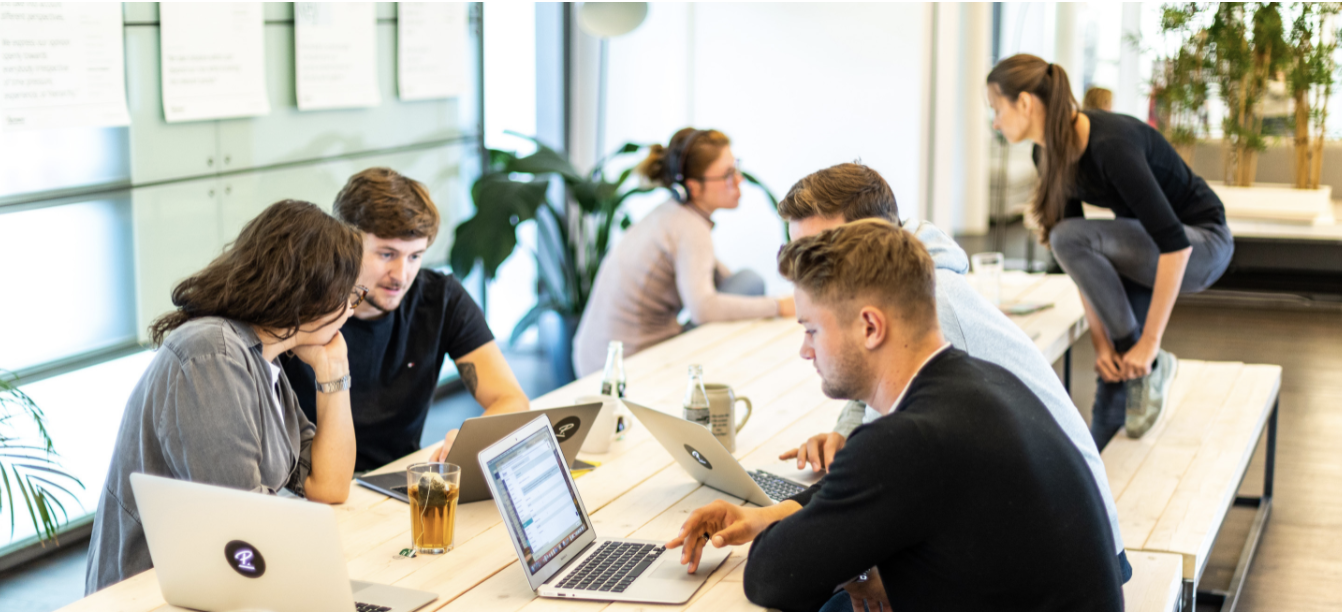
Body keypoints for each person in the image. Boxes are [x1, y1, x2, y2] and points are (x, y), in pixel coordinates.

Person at [668, 220, 1123, 612]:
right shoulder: (984, 380)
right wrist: (772, 518)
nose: (804, 350)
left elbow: (772, 576)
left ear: (870, 326)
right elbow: (880, 495)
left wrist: (846, 554)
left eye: (811, 329)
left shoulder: (908, 439)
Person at [773, 162, 1128, 579]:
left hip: (1058, 563)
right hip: (1061, 543)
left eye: (823, 251)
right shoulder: (915, 287)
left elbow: (885, 467)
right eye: (802, 253)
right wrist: (848, 431)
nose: (809, 271)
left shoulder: (931, 308)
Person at [86, 200, 363, 593]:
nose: (352, 309)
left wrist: (334, 370)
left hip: (210, 586)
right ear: (312, 294)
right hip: (151, 594)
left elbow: (329, 485)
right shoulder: (212, 355)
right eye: (351, 294)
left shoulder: (262, 358)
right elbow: (246, 528)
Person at [987, 54, 1233, 446]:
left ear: (1026, 103)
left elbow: (1176, 245)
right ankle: (1100, 468)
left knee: (1068, 237)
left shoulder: (1111, 144)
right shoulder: (1046, 152)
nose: (995, 122)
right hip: (1148, 246)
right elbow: (1077, 262)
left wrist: (1151, 342)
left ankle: (1154, 362)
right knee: (1116, 371)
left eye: (996, 109)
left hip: (1203, 245)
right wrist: (1102, 345)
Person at [284, 167, 529, 472]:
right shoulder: (294, 307)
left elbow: (512, 400)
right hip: (308, 490)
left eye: (414, 256)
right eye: (387, 254)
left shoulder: (440, 299)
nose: (401, 276)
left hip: (399, 480)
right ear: (343, 243)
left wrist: (469, 442)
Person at [571, 128, 795, 376]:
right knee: (751, 282)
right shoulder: (690, 228)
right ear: (692, 188)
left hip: (593, 358)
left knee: (748, 282)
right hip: (632, 365)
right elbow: (703, 308)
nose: (739, 180)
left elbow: (721, 277)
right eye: (728, 174)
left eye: (737, 168)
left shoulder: (670, 216)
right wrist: (779, 306)